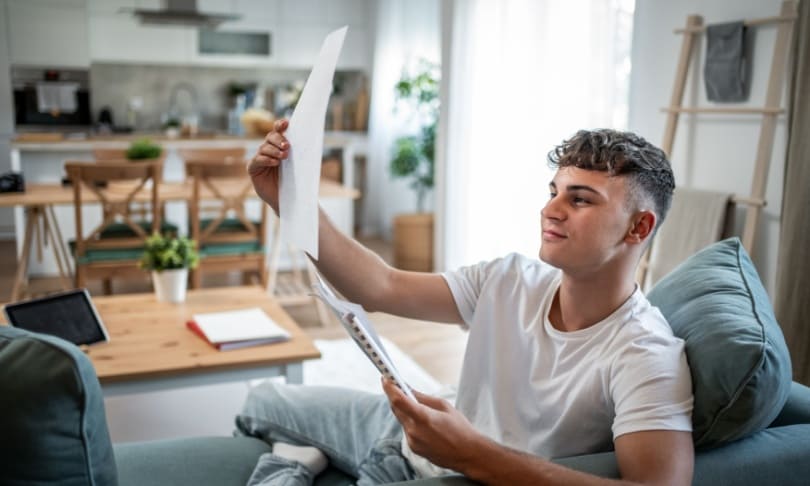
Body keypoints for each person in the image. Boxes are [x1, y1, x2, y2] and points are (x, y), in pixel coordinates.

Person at [238, 119, 694, 485]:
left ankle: (296, 464)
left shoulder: (645, 353)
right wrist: (291, 202)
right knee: (260, 401)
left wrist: (468, 453)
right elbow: (378, 287)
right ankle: (306, 458)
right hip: (405, 432)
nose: (551, 210)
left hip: (458, 471)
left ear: (638, 228)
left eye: (580, 200)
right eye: (553, 192)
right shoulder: (510, 278)